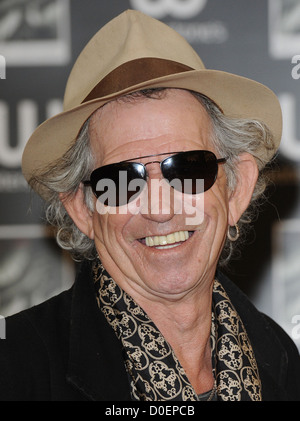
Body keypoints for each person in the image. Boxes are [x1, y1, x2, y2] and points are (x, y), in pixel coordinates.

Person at [1, 9, 299, 402]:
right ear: (82, 208)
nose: (160, 210)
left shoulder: (280, 360)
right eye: (123, 180)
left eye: (189, 168)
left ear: (235, 188)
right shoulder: (15, 370)